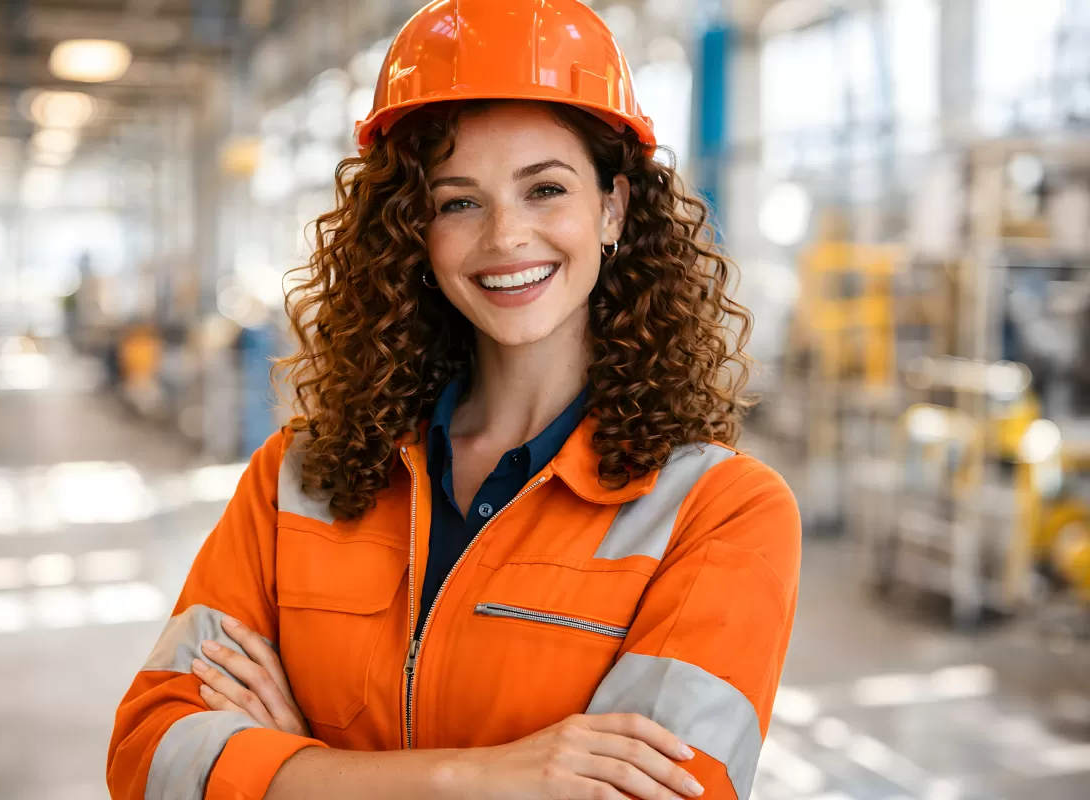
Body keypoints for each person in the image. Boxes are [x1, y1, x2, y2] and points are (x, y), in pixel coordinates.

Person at [107, 2, 800, 799]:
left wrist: (297, 767)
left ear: (612, 208)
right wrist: (481, 776)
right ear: (415, 230)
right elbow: (150, 758)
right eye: (459, 201)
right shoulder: (295, 479)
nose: (505, 236)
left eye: (545, 189)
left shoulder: (719, 515)